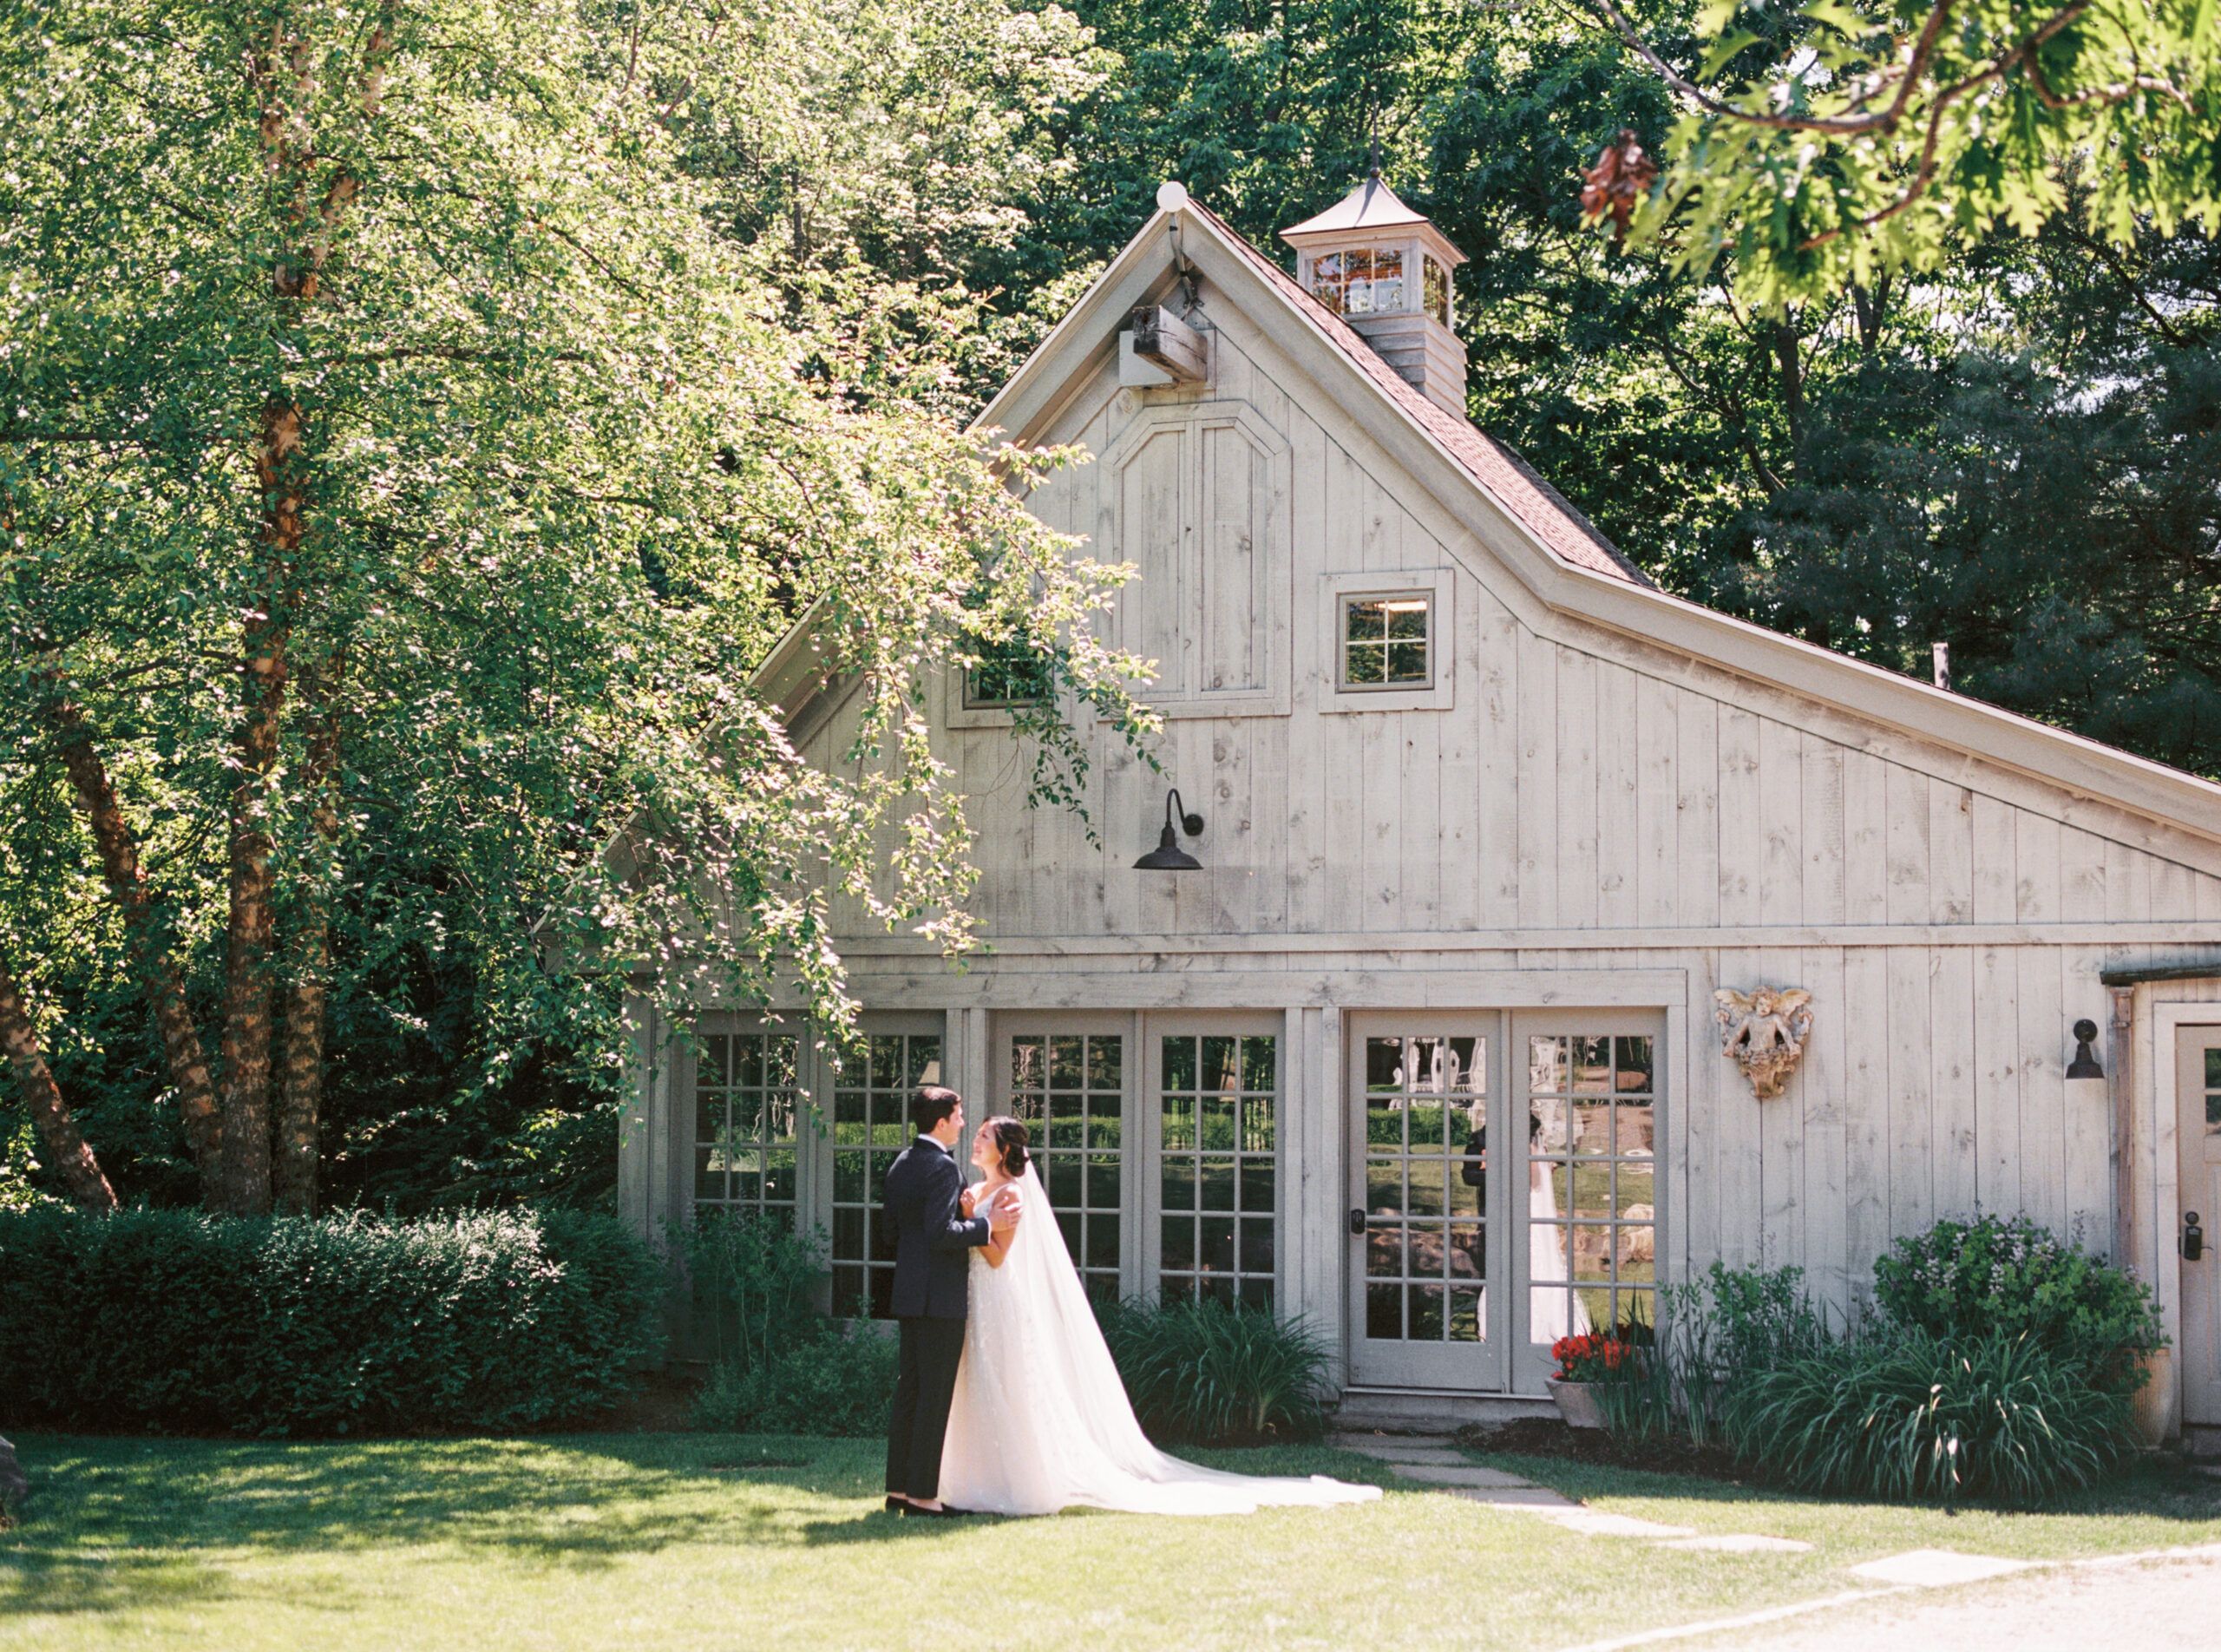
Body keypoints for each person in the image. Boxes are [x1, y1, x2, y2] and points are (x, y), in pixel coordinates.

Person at [936, 1114, 1382, 1518]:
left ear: (1006, 1150)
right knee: (978, 1382)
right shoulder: (975, 1190)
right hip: (976, 1301)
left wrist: (974, 1220)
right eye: (975, 1134)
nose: (975, 1141)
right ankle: (976, 1476)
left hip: (999, 1296)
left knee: (1007, 1382)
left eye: (984, 1136)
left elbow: (996, 1257)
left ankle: (1019, 1479)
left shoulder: (1011, 1194)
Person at [881, 1085, 1020, 1517]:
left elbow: (893, 1234)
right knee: (933, 1397)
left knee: (911, 1393)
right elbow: (941, 1234)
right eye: (959, 1116)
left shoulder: (902, 1163)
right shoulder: (942, 1169)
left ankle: (899, 1490)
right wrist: (986, 1225)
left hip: (908, 1294)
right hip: (938, 1299)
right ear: (941, 1122)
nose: (963, 1123)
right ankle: (923, 1496)